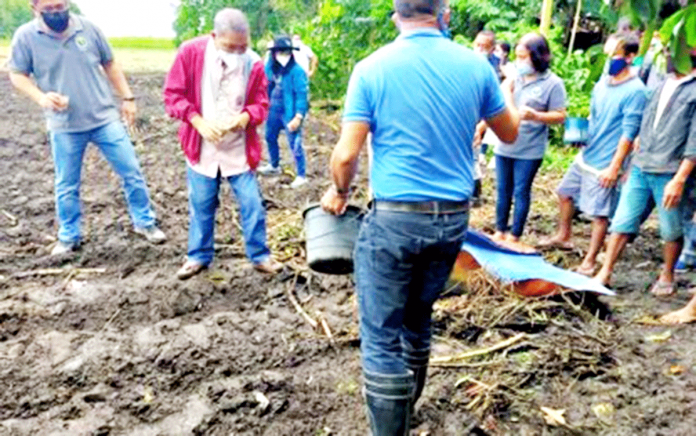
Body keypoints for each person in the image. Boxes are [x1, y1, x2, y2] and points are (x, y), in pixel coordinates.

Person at [320, 0, 520, 432]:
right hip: (451, 221)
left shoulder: (372, 69)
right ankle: (408, 409)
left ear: (397, 16)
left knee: (381, 337)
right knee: (418, 318)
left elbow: (345, 155)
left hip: (393, 221)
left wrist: (339, 192)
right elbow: (509, 132)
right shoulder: (476, 66)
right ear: (443, 13)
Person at [8, 0, 166, 256]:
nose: (57, 13)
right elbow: (17, 74)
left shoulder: (88, 29)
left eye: (60, 6)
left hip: (104, 118)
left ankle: (145, 222)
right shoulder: (26, 37)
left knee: (131, 172)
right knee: (67, 184)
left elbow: (110, 63)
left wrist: (127, 98)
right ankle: (69, 236)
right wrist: (41, 98)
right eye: (49, 10)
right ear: (34, 7)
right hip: (64, 124)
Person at [163, 8, 282, 279]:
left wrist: (242, 119)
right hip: (201, 148)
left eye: (243, 46)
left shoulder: (253, 63)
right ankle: (198, 256)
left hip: (238, 149)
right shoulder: (191, 54)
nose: (237, 53)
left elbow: (261, 105)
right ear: (213, 36)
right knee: (202, 204)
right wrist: (197, 121)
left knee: (252, 203)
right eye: (230, 47)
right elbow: (172, 95)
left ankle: (260, 255)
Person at [539, 35, 647, 277]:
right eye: (607, 54)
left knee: (599, 214)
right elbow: (595, 115)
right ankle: (563, 235)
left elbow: (629, 134)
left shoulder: (636, 91)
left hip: (607, 160)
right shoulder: (603, 81)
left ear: (630, 57)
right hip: (589, 152)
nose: (610, 60)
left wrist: (614, 167)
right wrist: (581, 134)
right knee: (565, 193)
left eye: (616, 55)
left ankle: (589, 260)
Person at [594, 47, 696, 296]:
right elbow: (646, 121)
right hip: (642, 164)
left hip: (670, 169)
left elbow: (695, 139)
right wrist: (631, 161)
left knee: (670, 228)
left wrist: (680, 178)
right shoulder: (662, 83)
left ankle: (667, 274)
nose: (669, 53)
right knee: (622, 220)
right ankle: (605, 272)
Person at [493, 33, 566, 243]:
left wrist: (537, 116)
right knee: (502, 189)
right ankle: (499, 230)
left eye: (524, 57)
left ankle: (515, 235)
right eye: (517, 56)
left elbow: (560, 116)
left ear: (537, 57)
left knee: (521, 190)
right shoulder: (514, 79)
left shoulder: (553, 83)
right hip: (505, 143)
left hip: (530, 148)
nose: (519, 61)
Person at [257, 35, 309, 188]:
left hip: (290, 111)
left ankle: (301, 175)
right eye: (280, 52)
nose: (283, 56)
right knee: (269, 137)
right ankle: (274, 165)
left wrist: (298, 117)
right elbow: (264, 85)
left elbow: (301, 95)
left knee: (295, 143)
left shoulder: (297, 71)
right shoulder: (271, 68)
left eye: (286, 52)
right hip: (273, 109)